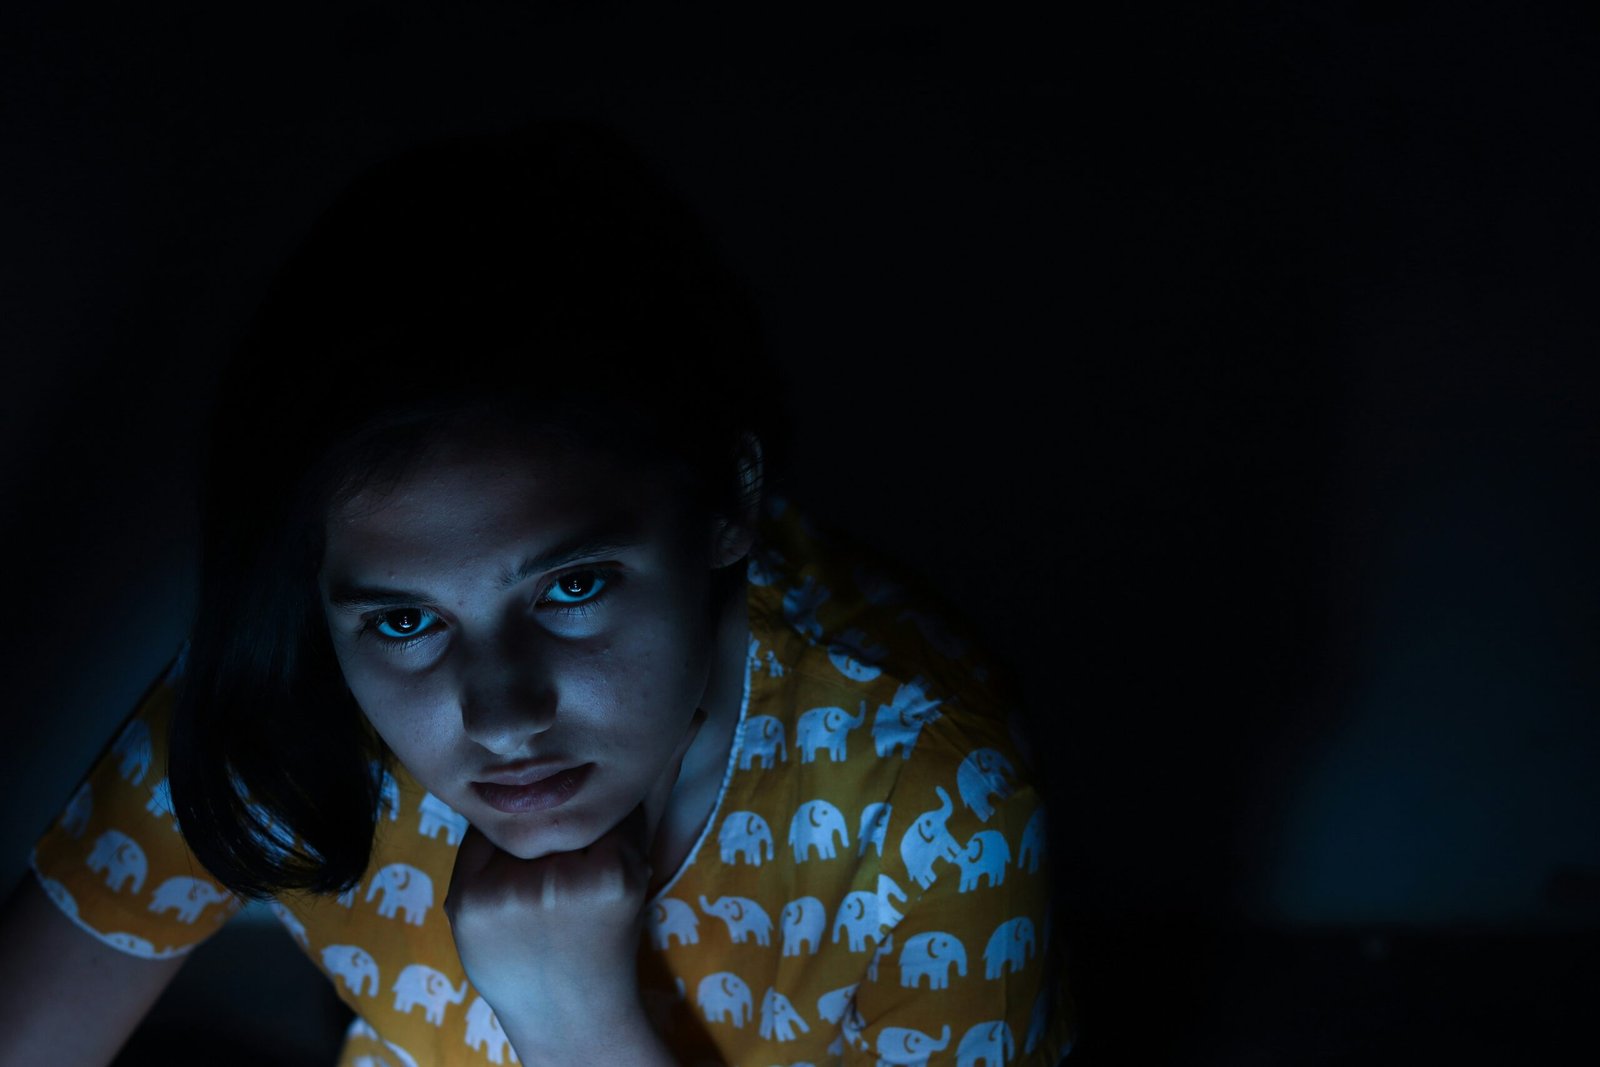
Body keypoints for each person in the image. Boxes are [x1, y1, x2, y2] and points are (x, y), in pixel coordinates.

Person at [0, 121, 1075, 1066]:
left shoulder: (924, 809)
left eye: (573, 585)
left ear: (727, 503)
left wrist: (569, 1019)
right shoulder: (282, 694)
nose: (503, 713)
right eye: (407, 619)